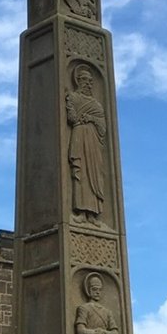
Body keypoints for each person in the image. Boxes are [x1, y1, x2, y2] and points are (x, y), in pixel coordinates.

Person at [66, 65, 107, 220]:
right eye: (86, 80)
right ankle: (81, 212)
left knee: (94, 174)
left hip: (93, 142)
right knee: (80, 172)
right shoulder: (73, 98)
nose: (89, 84)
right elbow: (72, 118)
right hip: (79, 136)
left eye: (91, 81)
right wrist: (71, 106)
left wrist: (91, 118)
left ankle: (93, 215)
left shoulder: (96, 105)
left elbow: (103, 126)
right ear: (78, 81)